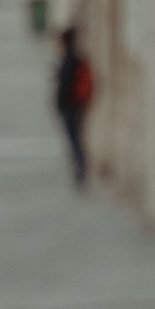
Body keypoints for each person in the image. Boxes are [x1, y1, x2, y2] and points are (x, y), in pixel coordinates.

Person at [54, 21, 93, 188]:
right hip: (75, 106)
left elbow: (65, 86)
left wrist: (60, 104)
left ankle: (80, 171)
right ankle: (79, 170)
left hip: (71, 107)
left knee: (75, 140)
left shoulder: (70, 60)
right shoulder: (73, 58)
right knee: (75, 138)